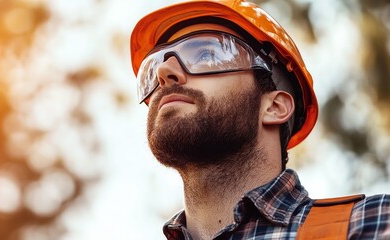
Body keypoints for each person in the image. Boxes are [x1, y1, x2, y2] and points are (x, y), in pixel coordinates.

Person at [129, 0, 390, 239]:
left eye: (207, 55)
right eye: (154, 67)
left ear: (274, 107)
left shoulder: (371, 224)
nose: (164, 72)